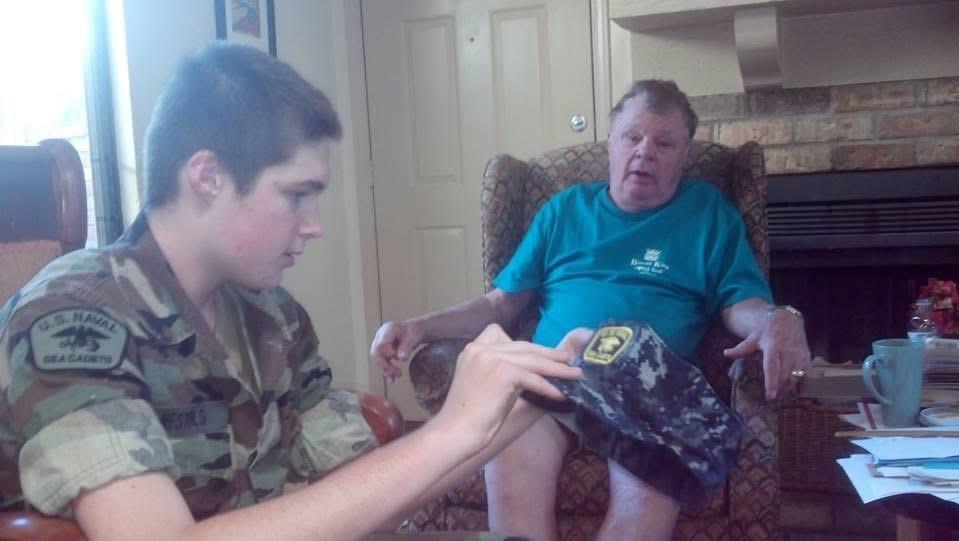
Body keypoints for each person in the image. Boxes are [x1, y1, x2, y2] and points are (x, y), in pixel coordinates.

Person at [0, 43, 584, 541]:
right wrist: (452, 427)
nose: (314, 224)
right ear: (207, 177)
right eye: (296, 195)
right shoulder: (75, 316)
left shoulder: (270, 314)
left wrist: (534, 399)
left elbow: (364, 495)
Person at [371, 79, 812, 541]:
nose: (645, 153)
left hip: (647, 387)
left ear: (684, 157)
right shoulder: (563, 211)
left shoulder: (710, 214)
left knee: (645, 500)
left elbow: (741, 303)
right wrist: (418, 326)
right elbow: (500, 304)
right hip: (552, 378)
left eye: (664, 143)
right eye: (632, 138)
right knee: (510, 463)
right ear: (612, 143)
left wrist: (777, 319)